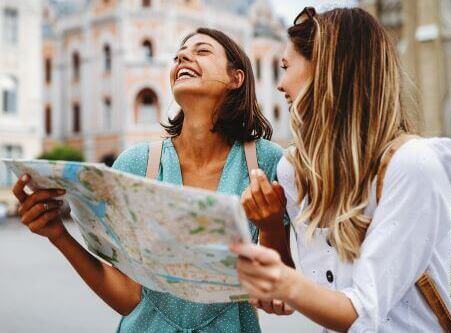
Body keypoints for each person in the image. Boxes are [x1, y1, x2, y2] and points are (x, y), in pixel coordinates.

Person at [12, 28, 291, 333]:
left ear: (236, 78)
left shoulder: (266, 162)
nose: (183, 56)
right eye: (179, 54)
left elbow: (282, 292)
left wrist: (272, 226)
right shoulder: (136, 164)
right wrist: (58, 235)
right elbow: (130, 297)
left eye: (201, 51)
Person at [231, 7, 451, 332]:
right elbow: (284, 300)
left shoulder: (413, 165)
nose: (280, 83)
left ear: (329, 70)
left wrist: (280, 279)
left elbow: (363, 313)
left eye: (286, 66)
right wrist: (271, 228)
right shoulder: (293, 170)